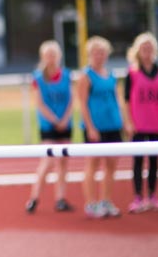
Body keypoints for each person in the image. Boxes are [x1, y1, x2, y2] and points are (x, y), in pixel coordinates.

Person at [77, 36, 130, 219]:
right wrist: (90, 127)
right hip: (96, 127)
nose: (99, 55)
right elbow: (82, 103)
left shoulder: (111, 75)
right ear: (90, 54)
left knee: (111, 165)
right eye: (96, 52)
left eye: (103, 52)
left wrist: (125, 122)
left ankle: (106, 201)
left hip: (113, 126)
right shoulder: (85, 76)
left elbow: (118, 100)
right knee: (92, 164)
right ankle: (91, 204)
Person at [25, 40, 75, 214]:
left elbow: (70, 100)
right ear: (42, 57)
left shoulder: (67, 75)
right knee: (47, 161)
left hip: (65, 123)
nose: (51, 58)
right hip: (48, 124)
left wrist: (65, 119)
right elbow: (39, 103)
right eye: (48, 55)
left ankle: (60, 198)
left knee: (63, 162)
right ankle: (34, 198)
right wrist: (54, 120)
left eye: (53, 54)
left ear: (59, 56)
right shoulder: (38, 78)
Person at [123, 32, 158, 213]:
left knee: (154, 161)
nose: (147, 51)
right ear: (137, 50)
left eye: (150, 48)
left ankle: (152, 195)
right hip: (138, 123)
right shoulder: (132, 73)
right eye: (144, 48)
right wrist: (128, 122)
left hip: (156, 122)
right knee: (138, 161)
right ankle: (137, 197)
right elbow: (126, 99)